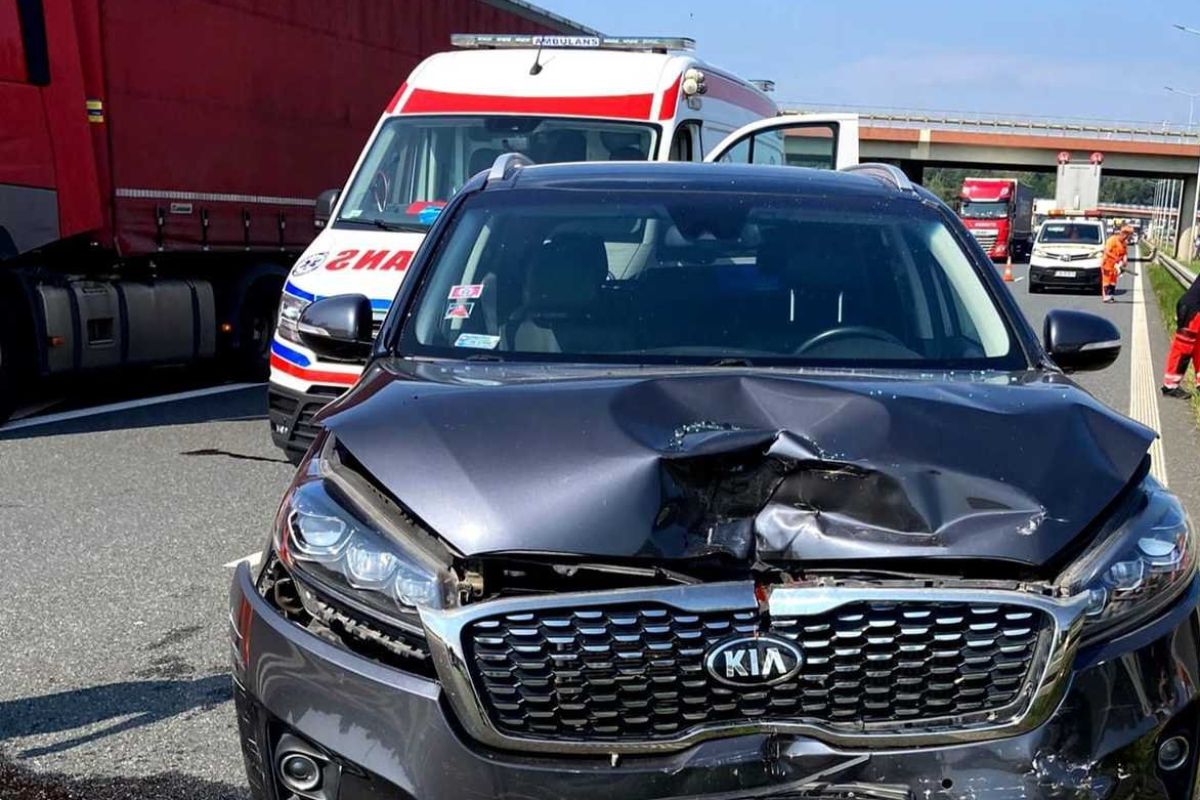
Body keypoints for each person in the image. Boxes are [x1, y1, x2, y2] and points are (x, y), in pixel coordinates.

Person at [1162, 272, 1200, 398]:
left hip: (1191, 307)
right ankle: (1170, 386)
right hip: (1193, 311)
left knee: (1197, 348)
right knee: (1184, 349)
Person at [1100, 225, 1132, 303]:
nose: (1126, 238)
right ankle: (1106, 297)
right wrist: (1115, 258)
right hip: (1107, 263)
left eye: (1128, 236)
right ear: (1122, 233)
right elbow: (1107, 251)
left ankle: (1110, 296)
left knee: (1113, 281)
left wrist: (1125, 261)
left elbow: (1124, 253)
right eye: (1126, 235)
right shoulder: (1112, 240)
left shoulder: (1124, 243)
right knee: (1106, 281)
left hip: (1115, 266)